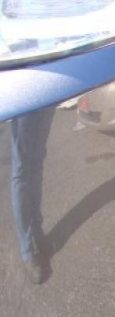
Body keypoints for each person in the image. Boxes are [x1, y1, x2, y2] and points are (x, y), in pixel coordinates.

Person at [10, 108, 55, 284]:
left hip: (48, 88)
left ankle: (36, 231)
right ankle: (27, 250)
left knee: (36, 163)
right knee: (21, 170)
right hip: (23, 88)